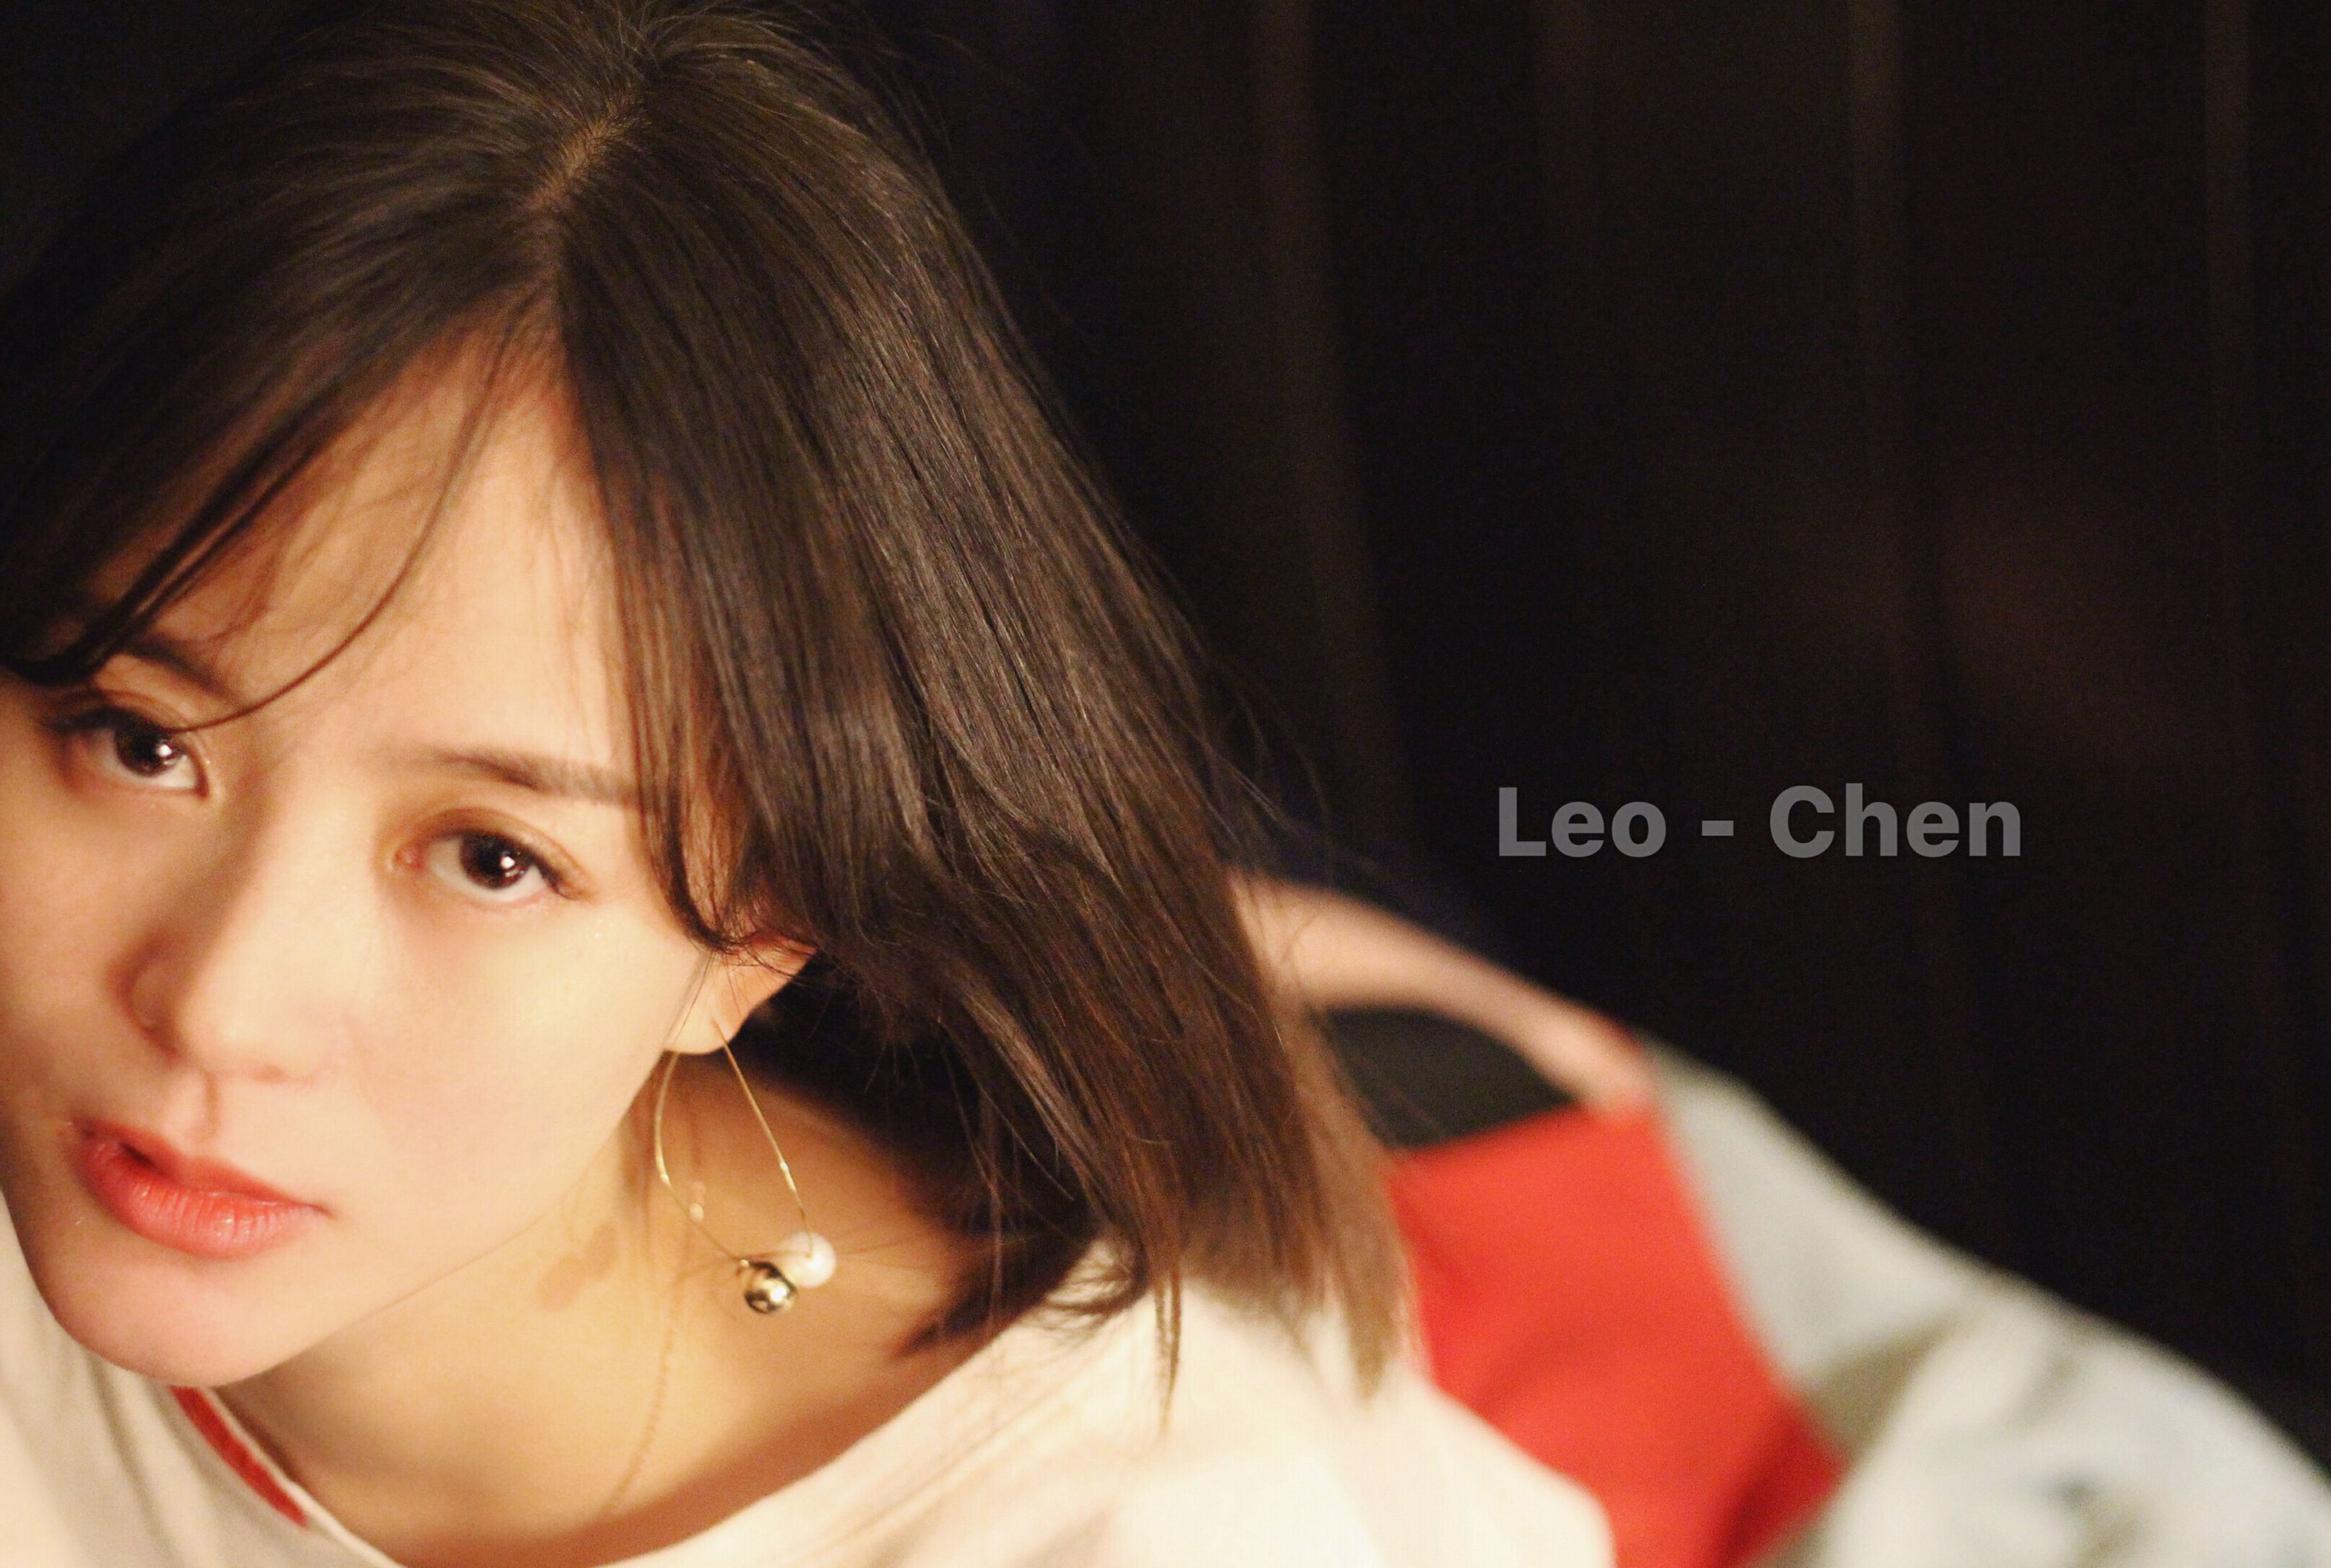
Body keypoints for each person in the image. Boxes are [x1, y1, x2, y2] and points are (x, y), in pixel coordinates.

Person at [0, 2, 1612, 1563]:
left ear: (761, 930)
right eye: (139, 742)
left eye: (494, 857)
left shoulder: (1147, 1531)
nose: (218, 1009)